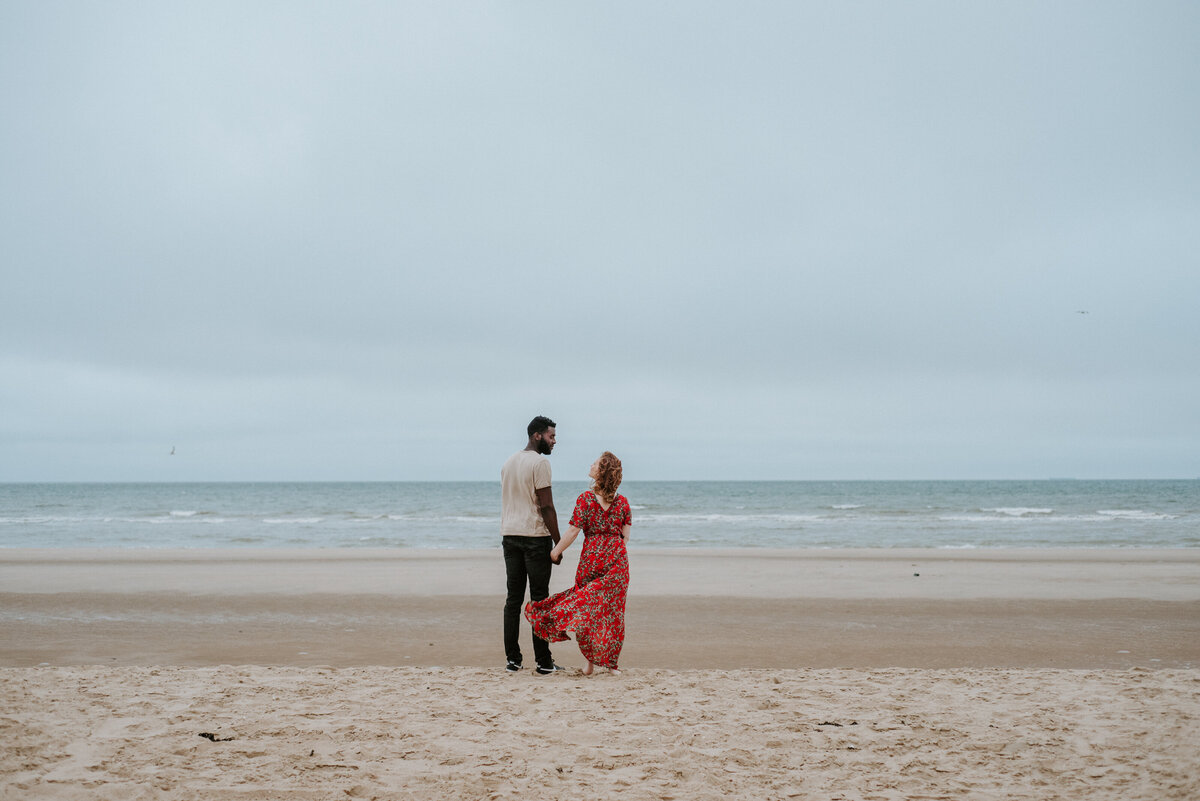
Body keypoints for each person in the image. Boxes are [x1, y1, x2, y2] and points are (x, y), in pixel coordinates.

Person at [524, 451, 630, 676]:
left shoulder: (586, 499)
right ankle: (607, 665)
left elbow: (573, 531)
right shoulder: (622, 503)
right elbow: (625, 537)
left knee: (587, 611)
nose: (590, 464)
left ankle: (594, 665)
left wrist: (555, 552)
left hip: (591, 562)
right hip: (616, 564)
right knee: (612, 614)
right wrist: (610, 547)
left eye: (595, 463)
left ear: (601, 472)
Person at [500, 415, 565, 675]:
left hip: (509, 535)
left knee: (513, 600)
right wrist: (558, 544)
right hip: (535, 538)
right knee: (539, 601)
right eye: (551, 436)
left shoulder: (508, 462)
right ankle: (543, 662)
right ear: (537, 435)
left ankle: (513, 661)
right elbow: (546, 506)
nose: (554, 441)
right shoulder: (540, 463)